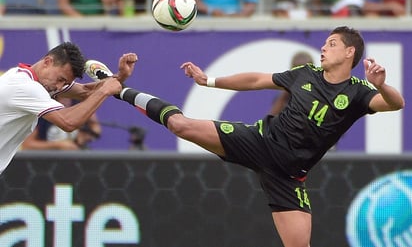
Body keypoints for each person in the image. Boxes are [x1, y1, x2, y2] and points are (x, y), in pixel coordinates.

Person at [88, 26, 404, 246]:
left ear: (350, 52)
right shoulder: (306, 73)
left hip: (289, 176)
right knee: (180, 126)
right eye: (325, 42)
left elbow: (395, 103)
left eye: (332, 43)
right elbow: (256, 79)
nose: (323, 46)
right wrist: (208, 80)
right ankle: (117, 88)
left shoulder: (359, 92)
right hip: (259, 141)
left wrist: (381, 84)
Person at [0, 42, 137, 174]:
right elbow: (68, 122)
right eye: (60, 79)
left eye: (65, 83)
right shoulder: (27, 87)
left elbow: (85, 92)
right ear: (47, 62)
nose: (59, 87)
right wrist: (104, 91)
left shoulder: (22, 75)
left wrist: (120, 77)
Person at [21, 97, 102, 150]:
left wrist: (85, 136)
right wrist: (58, 145)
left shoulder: (80, 103)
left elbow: (95, 127)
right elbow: (27, 144)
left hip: (76, 157)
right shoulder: (42, 108)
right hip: (48, 161)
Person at [269, 51, 314, 115]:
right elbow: (272, 121)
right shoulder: (283, 99)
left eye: (305, 71)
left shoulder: (320, 96)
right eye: (296, 71)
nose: (300, 76)